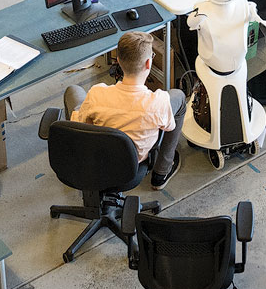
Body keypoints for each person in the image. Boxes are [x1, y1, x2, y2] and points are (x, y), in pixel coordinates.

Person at [66, 31, 185, 188]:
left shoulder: (97, 93)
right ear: (148, 64)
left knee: (73, 91)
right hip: (132, 168)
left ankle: (77, 163)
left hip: (98, 161)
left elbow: (81, 123)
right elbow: (169, 126)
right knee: (179, 96)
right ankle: (161, 173)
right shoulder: (159, 102)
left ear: (118, 61)